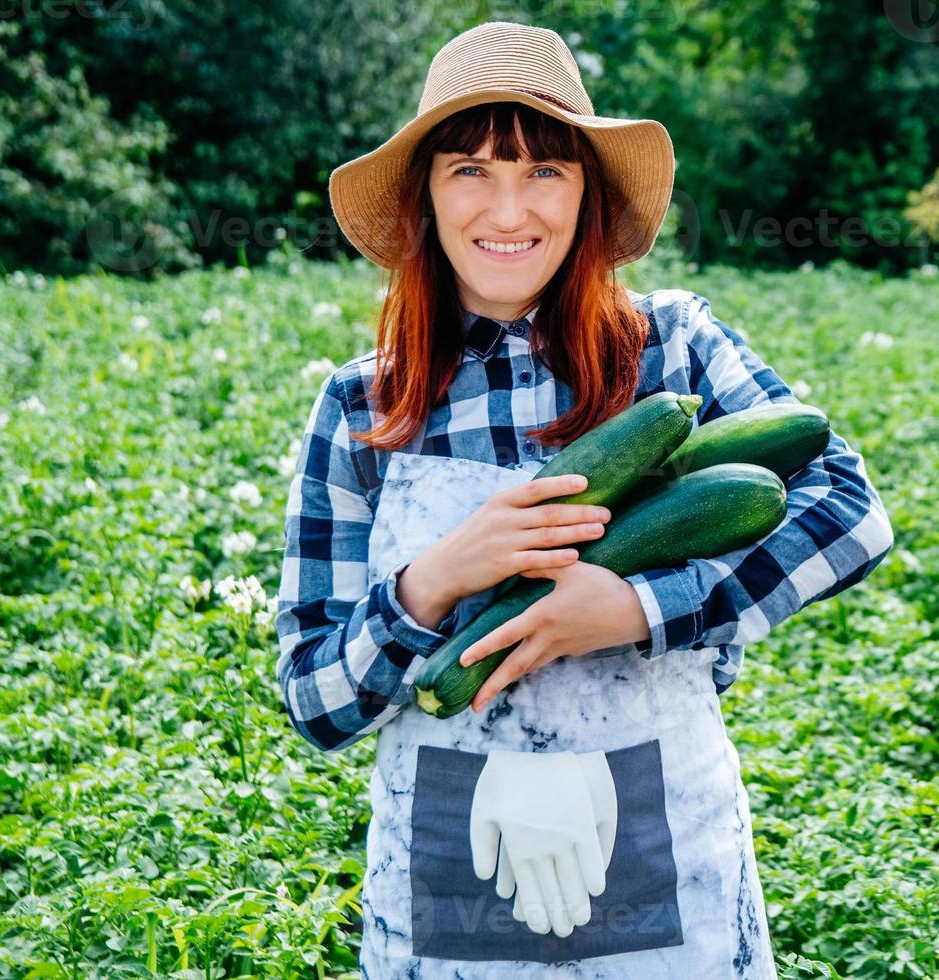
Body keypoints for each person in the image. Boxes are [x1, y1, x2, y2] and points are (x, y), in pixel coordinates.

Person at [274, 21, 895, 978]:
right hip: (447, 875)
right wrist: (432, 580)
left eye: (546, 171)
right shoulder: (363, 404)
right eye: (470, 170)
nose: (508, 208)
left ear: (588, 195)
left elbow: (848, 511)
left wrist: (639, 608)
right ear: (426, 199)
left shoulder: (673, 349)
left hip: (669, 849)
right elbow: (316, 698)